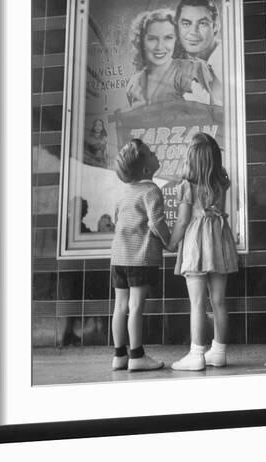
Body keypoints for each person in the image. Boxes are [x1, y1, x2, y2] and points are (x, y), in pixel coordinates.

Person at [167, 133, 238, 370]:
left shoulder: (187, 186)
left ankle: (196, 354)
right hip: (219, 240)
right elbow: (221, 212)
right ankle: (219, 351)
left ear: (191, 159)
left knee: (197, 302)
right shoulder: (221, 182)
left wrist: (171, 242)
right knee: (218, 300)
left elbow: (183, 221)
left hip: (197, 244)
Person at [110, 139, 170, 371]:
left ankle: (119, 355)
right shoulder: (151, 190)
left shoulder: (124, 193)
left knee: (120, 307)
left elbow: (118, 221)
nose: (155, 153)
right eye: (151, 152)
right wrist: (169, 242)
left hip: (118, 258)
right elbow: (156, 223)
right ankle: (137, 356)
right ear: (146, 169)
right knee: (136, 307)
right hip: (140, 258)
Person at [126, 8, 212, 108]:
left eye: (168, 38)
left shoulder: (190, 70)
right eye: (152, 39)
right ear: (141, 41)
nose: (160, 47)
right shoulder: (134, 83)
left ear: (177, 40)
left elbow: (206, 116)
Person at [174, 0, 223, 106]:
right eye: (186, 24)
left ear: (215, 27)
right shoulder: (178, 58)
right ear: (177, 27)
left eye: (202, 23)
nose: (193, 32)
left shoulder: (226, 62)